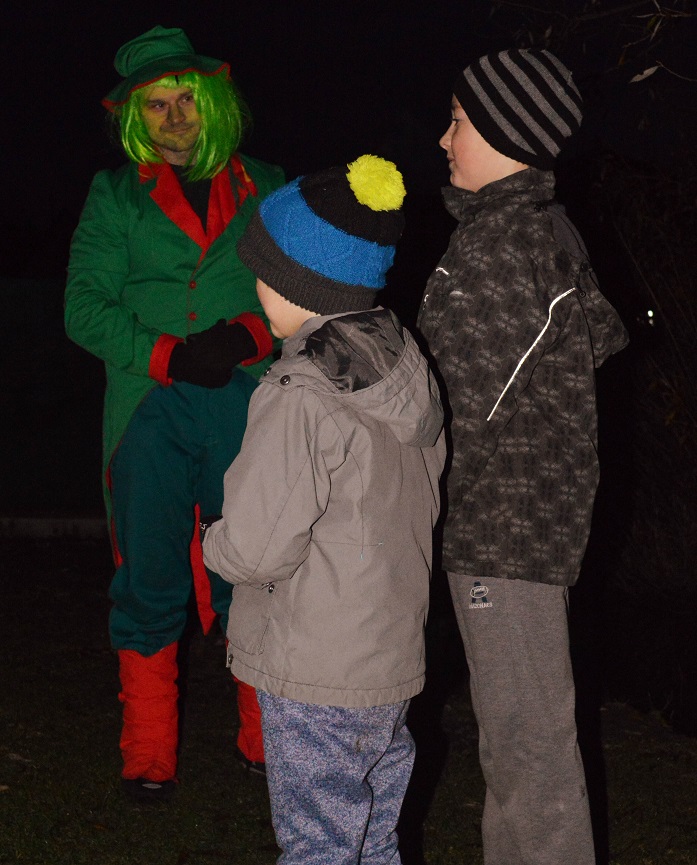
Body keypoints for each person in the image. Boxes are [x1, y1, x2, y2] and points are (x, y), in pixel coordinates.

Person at [202, 154, 446, 863]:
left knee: (318, 844)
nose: (255, 288)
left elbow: (257, 546)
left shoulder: (299, 393)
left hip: (317, 666)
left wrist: (213, 540)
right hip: (386, 660)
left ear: (296, 283)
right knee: (370, 838)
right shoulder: (402, 364)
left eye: (261, 272)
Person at [417, 49, 629, 864]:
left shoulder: (503, 246)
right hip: (513, 531)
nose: (443, 139)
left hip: (502, 534)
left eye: (458, 122)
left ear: (509, 134)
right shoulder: (524, 232)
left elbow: (457, 406)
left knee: (527, 747)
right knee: (514, 741)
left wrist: (408, 499)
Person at [65, 25, 284, 802]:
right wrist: (164, 354)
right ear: (135, 116)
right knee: (148, 574)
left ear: (211, 101)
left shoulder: (266, 185)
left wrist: (247, 335)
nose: (173, 117)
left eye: (184, 98)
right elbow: (83, 308)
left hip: (245, 407)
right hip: (146, 410)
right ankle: (148, 752)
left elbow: (302, 292)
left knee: (255, 573)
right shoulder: (114, 194)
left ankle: (266, 742)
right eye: (155, 105)